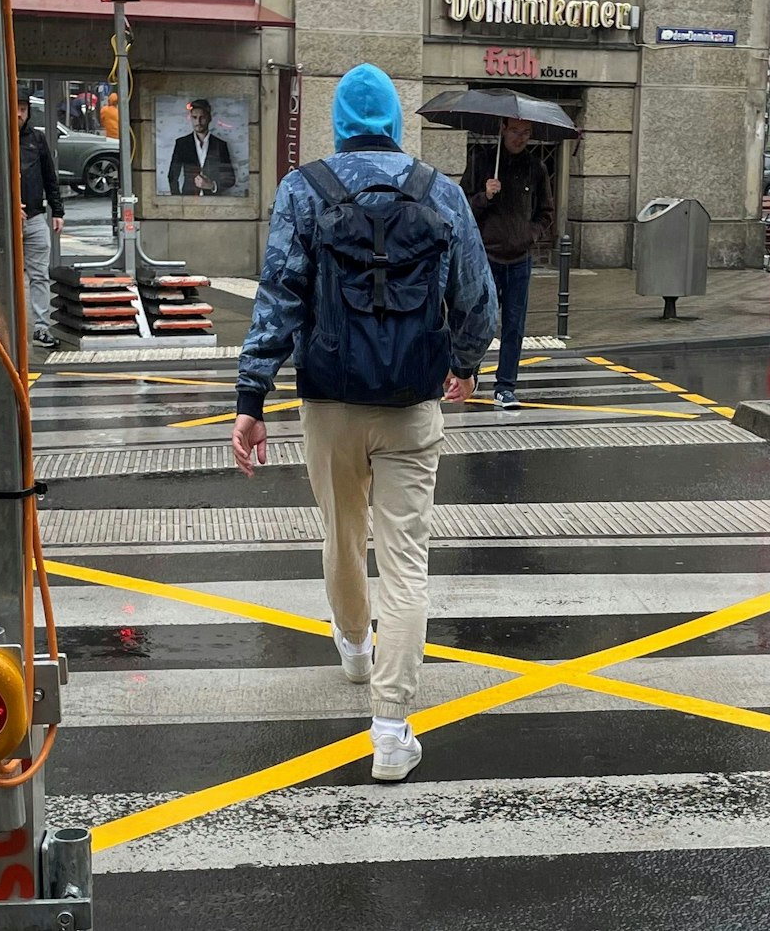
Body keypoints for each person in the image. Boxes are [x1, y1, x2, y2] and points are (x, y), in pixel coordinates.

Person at [231, 63, 497, 783]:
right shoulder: (439, 192)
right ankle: (390, 730)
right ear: (395, 125)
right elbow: (479, 298)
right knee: (405, 561)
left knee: (342, 533)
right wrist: (465, 364)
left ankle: (352, 646)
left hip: (329, 403)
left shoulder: (304, 189)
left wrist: (251, 400)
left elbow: (278, 297)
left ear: (342, 124)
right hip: (412, 403)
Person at [459, 118, 555, 410]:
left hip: (519, 259)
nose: (520, 137)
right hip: (486, 257)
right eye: (515, 131)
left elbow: (546, 211)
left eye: (526, 132)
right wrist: (484, 196)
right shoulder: (482, 161)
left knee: (514, 324)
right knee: (479, 321)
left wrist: (531, 234)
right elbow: (461, 205)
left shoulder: (535, 167)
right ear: (503, 129)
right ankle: (470, 375)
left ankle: (505, 386)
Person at [15, 97, 66, 348]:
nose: (18, 114)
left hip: (34, 216)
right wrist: (9, 204)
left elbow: (49, 176)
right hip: (5, 220)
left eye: (22, 110)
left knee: (39, 275)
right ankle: (5, 326)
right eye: (14, 108)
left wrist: (57, 211)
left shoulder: (36, 139)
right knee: (5, 275)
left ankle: (41, 328)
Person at [166, 98, 237, 195]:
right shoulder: (182, 144)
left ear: (209, 118)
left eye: (202, 117)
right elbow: (172, 176)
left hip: (214, 202)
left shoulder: (220, 145)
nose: (198, 122)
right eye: (194, 117)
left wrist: (212, 185)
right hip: (188, 201)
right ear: (190, 118)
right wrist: (178, 200)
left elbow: (230, 178)